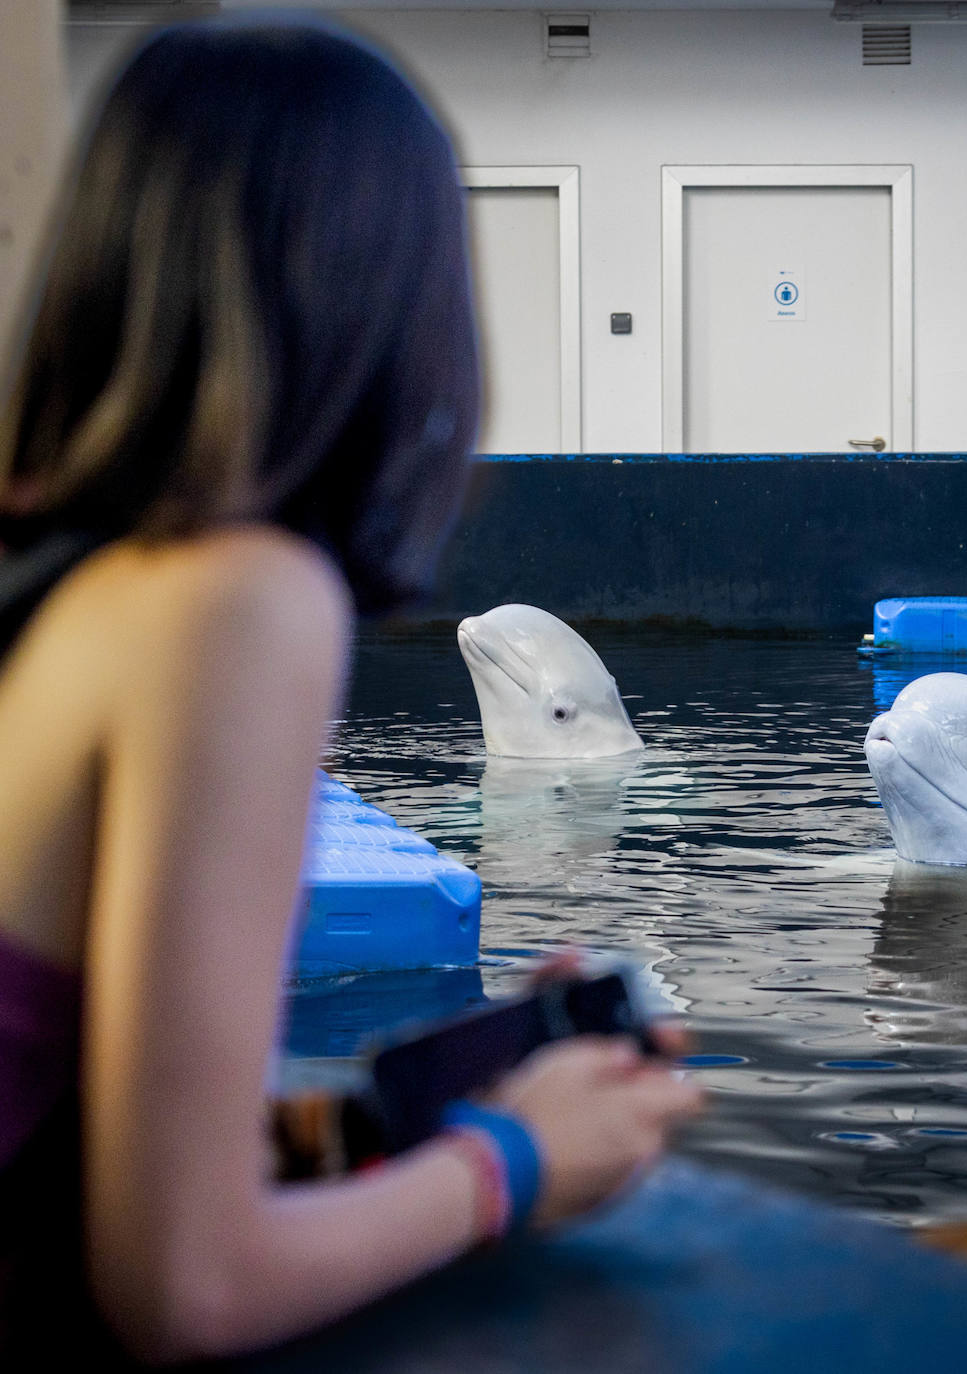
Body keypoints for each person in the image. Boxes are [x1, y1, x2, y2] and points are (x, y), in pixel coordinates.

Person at [0, 17, 702, 1364]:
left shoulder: (53, 585)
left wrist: (379, 1122)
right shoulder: (235, 597)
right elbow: (187, 1284)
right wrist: (509, 1160)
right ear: (391, 305)